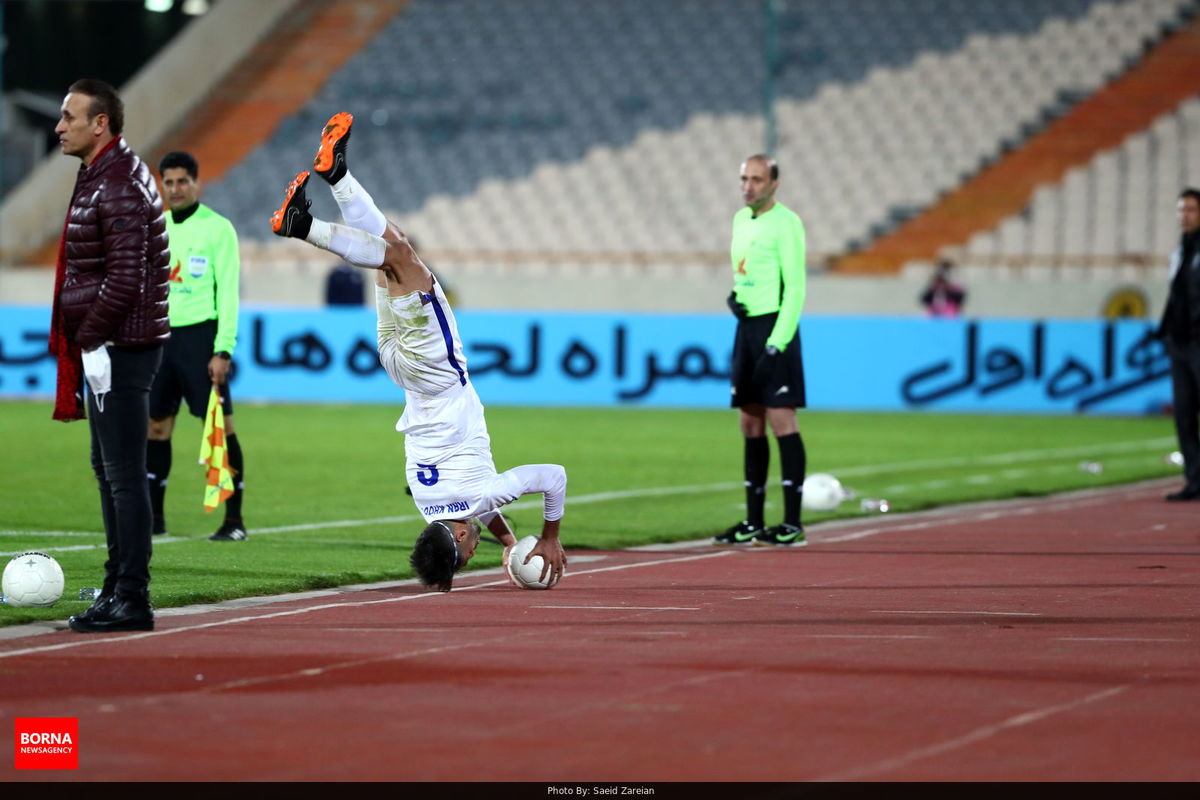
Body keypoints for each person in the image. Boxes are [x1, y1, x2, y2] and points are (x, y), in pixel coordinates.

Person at [269, 111, 567, 589]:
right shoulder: (428, 505)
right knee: (392, 253)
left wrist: (550, 536)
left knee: (399, 258)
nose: (476, 554)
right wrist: (510, 540)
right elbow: (477, 507)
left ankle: (304, 227)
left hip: (434, 373)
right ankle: (337, 174)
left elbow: (553, 476)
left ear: (461, 538)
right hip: (399, 370)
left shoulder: (475, 497)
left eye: (469, 556)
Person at [49, 79, 170, 632]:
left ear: (101, 124)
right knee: (112, 471)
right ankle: (118, 588)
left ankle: (132, 597)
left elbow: (124, 279)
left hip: (121, 347)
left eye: (70, 117)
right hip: (117, 344)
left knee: (123, 474)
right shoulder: (106, 174)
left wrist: (88, 337)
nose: (59, 126)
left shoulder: (116, 183)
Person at [148, 151, 248, 541]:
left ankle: (234, 521)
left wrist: (223, 349)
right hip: (160, 338)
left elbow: (228, 294)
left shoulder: (218, 229)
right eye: (168, 182)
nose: (174, 189)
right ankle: (154, 521)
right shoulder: (154, 227)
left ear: (196, 183)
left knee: (220, 428)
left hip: (201, 337)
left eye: (182, 181)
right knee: (156, 427)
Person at [714, 154, 809, 547]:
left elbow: (796, 287)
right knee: (749, 422)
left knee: (781, 420)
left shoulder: (787, 223)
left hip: (775, 328)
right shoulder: (740, 220)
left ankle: (792, 523)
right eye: (744, 179)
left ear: (774, 183)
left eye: (756, 179)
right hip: (747, 328)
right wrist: (736, 298)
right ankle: (753, 520)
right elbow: (747, 271)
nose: (748, 186)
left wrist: (777, 342)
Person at [1155, 187, 1200, 502]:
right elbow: (1176, 296)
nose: (1184, 216)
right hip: (1180, 342)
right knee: (1183, 414)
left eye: (1191, 210)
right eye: (1181, 210)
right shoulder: (1179, 251)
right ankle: (1195, 480)